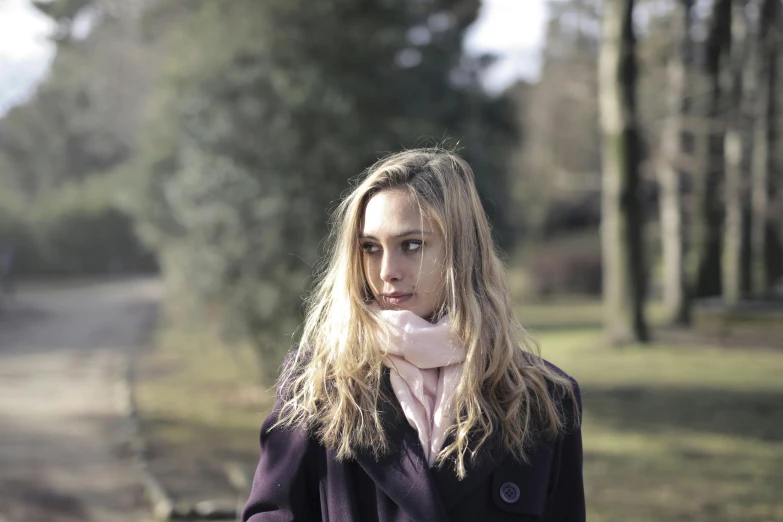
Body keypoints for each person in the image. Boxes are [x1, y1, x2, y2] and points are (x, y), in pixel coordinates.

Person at [242, 148, 585, 522]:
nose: (387, 270)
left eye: (411, 245)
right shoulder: (318, 383)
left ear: (461, 251)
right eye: (371, 248)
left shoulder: (543, 399)